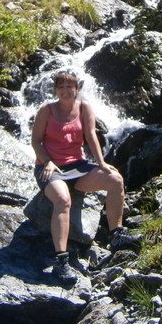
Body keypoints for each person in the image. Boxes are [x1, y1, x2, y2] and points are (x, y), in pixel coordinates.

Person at [31, 69, 140, 284]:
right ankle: (61, 261)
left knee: (116, 180)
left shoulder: (84, 107)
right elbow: (36, 141)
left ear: (77, 89)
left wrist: (101, 163)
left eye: (69, 87)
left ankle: (116, 235)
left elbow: (91, 136)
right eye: (61, 87)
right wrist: (48, 162)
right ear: (55, 90)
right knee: (63, 200)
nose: (65, 91)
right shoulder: (46, 110)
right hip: (50, 167)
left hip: (78, 166)